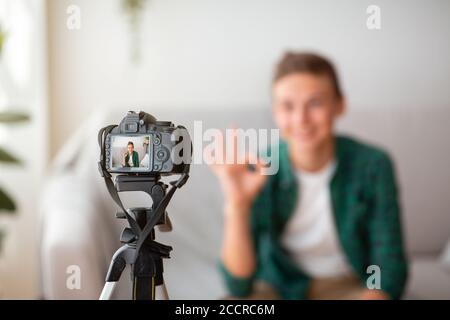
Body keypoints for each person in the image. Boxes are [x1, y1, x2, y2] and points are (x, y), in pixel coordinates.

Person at [209, 52, 408, 300]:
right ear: (275, 112)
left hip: (348, 286)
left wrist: (376, 294)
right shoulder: (260, 168)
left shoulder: (373, 165)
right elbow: (238, 286)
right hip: (279, 287)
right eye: (287, 106)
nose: (301, 119)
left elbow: (389, 271)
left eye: (315, 103)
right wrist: (237, 204)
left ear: (339, 105)